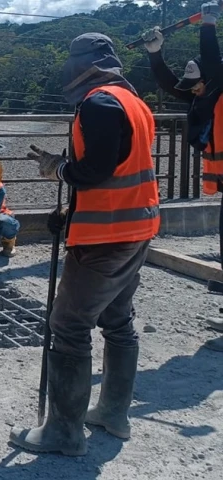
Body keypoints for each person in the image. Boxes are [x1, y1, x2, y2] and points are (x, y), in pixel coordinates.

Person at [9, 32, 160, 456]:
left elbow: (94, 169)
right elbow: (117, 168)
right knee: (117, 319)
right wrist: (71, 210)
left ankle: (63, 432)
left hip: (106, 236)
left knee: (69, 324)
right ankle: (113, 413)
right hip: (136, 227)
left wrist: (58, 170)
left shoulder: (98, 103)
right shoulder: (134, 102)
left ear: (81, 67)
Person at [141, 2, 223, 303]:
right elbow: (170, 84)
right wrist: (155, 54)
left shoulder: (218, 85)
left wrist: (208, 23)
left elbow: (213, 60)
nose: (192, 90)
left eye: (196, 85)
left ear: (208, 79)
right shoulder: (197, 95)